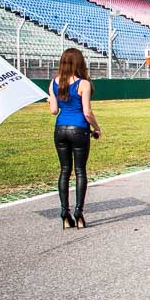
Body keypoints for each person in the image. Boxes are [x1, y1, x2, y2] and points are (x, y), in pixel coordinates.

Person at [47, 47, 101, 229]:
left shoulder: (54, 83)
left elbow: (54, 111)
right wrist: (97, 127)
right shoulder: (83, 84)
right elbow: (87, 112)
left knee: (64, 170)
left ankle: (64, 212)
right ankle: (78, 212)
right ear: (79, 63)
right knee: (80, 171)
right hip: (79, 129)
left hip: (60, 129)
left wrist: (51, 99)